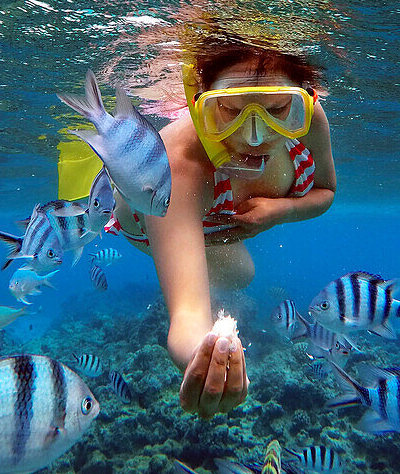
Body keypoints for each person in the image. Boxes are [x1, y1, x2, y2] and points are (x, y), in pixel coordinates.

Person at [108, 32, 337, 419]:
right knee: (228, 273)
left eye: (279, 108)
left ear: (303, 98)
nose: (255, 135)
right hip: (148, 223)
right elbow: (187, 316)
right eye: (230, 110)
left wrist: (280, 211)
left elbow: (326, 190)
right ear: (199, 100)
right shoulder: (178, 167)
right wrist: (201, 352)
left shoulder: (310, 118)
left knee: (243, 274)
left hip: (222, 225)